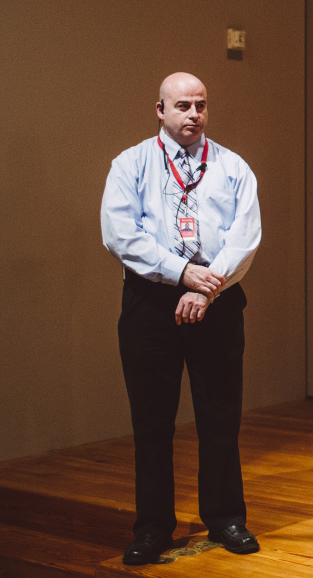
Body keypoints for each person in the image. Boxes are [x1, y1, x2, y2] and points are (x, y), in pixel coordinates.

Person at [101, 72, 261, 565]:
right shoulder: (131, 165)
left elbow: (245, 237)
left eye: (201, 105)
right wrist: (181, 275)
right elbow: (120, 235)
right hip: (150, 307)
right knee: (152, 424)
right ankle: (152, 528)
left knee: (219, 419)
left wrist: (206, 286)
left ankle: (226, 518)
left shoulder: (233, 167)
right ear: (160, 110)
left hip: (217, 305)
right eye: (183, 105)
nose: (193, 114)